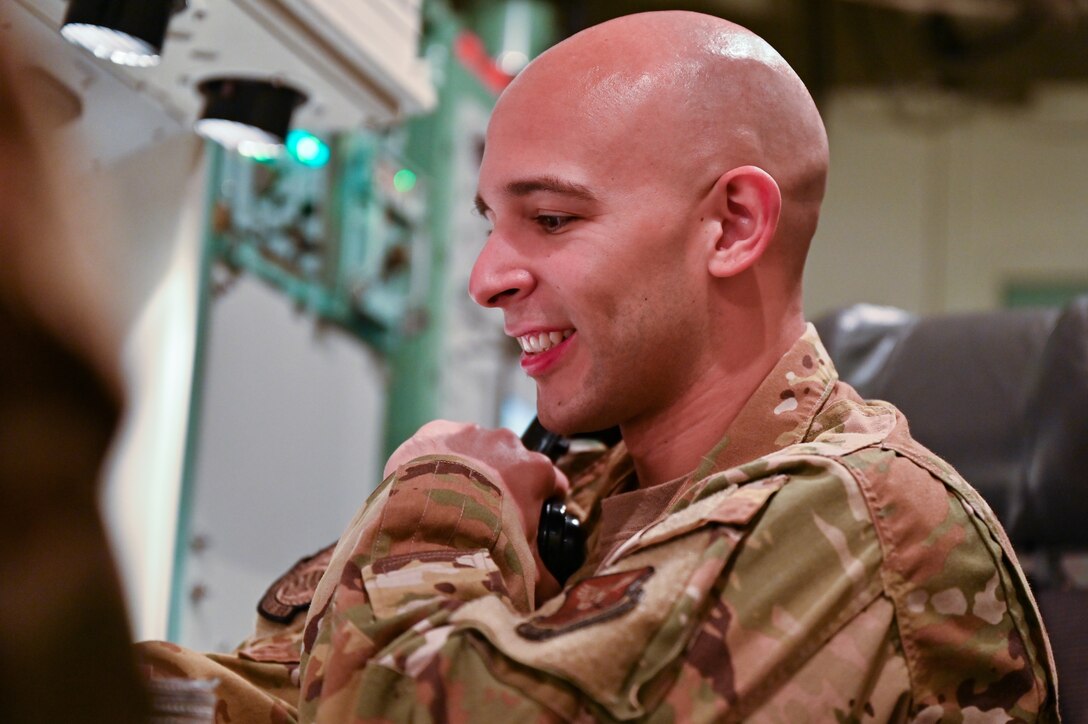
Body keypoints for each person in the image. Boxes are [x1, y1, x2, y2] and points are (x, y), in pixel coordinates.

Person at [140, 10, 1058, 722]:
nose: (486, 278)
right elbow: (280, 691)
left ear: (733, 225)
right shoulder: (578, 494)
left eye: (550, 220)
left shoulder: (860, 520)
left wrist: (440, 500)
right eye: (490, 222)